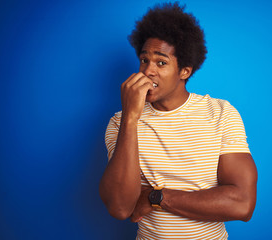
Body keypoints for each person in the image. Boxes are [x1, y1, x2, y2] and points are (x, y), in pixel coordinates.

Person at [99, 2, 257, 239]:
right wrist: (131, 118)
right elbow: (120, 207)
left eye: (161, 62)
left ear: (184, 71)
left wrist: (156, 197)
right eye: (144, 60)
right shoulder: (119, 122)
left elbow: (241, 204)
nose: (148, 71)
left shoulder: (221, 113)